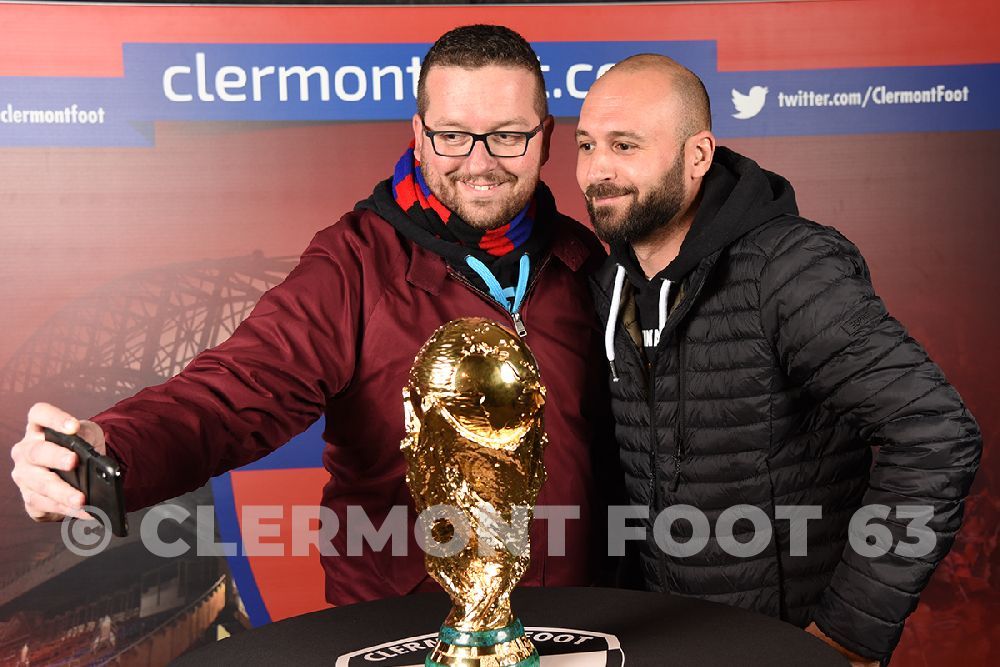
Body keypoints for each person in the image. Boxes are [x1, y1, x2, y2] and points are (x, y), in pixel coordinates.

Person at [10, 25, 612, 606]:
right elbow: (236, 394)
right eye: (452, 135)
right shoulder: (354, 264)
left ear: (546, 135)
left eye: (508, 135)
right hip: (409, 632)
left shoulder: (581, 260)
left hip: (570, 624)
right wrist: (110, 449)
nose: (479, 163)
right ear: (419, 133)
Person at [576, 54, 981, 666]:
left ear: (698, 155)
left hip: (789, 646)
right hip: (671, 638)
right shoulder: (611, 282)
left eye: (625, 145)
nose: (597, 169)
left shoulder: (790, 267)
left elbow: (934, 433)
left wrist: (848, 634)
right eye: (586, 145)